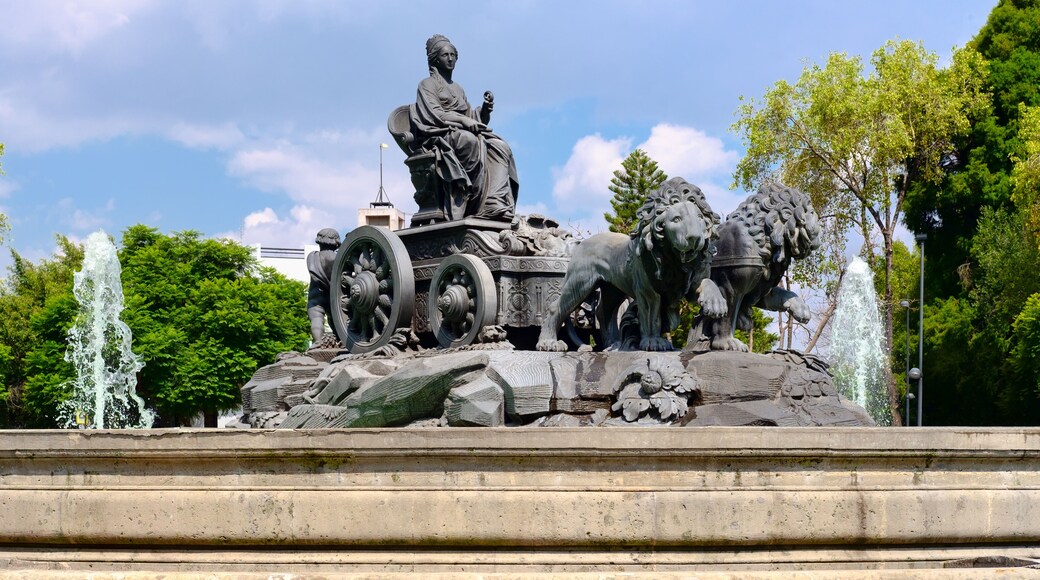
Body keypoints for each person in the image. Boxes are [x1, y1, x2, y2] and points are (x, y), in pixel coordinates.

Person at [410, 34, 519, 221]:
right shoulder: (426, 85)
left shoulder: (458, 88)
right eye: (446, 55)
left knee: (501, 147)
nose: (451, 59)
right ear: (436, 59)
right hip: (441, 135)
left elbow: (470, 116)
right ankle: (470, 200)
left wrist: (483, 111)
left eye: (453, 55)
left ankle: (494, 202)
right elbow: (436, 114)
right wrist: (464, 122)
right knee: (469, 141)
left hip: (462, 132)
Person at [306, 228, 341, 343]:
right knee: (336, 320)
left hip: (316, 295)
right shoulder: (338, 258)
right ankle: (341, 340)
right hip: (334, 295)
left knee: (316, 318)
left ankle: (318, 343)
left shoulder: (312, 256)